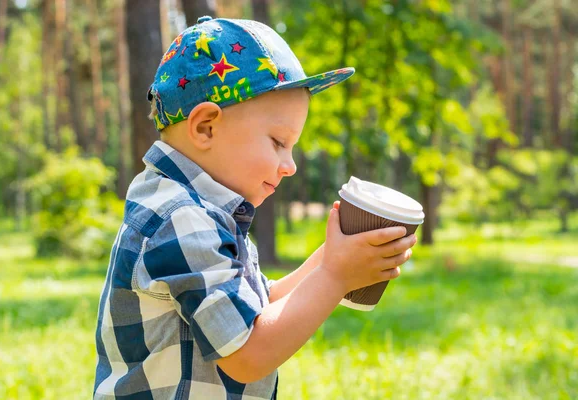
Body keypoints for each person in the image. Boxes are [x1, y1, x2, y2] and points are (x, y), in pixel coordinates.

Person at [93, 15, 416, 399]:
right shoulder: (180, 217)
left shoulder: (207, 213)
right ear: (205, 128)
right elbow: (247, 354)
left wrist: (337, 256)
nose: (290, 164)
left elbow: (259, 308)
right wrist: (334, 276)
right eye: (278, 142)